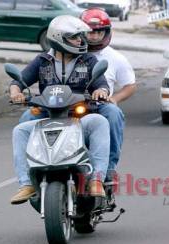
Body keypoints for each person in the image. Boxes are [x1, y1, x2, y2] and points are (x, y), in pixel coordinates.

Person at [10, 15, 110, 204]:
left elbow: (101, 84)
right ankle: (27, 183)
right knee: (20, 130)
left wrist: (100, 91)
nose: (80, 40)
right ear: (58, 38)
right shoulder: (42, 60)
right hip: (48, 115)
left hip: (80, 117)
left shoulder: (87, 60)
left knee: (101, 121)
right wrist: (16, 92)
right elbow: (18, 81)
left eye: (80, 36)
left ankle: (97, 178)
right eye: (74, 37)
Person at [81, 8, 137, 182]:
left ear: (106, 32)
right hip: (66, 104)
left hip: (99, 105)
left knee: (113, 113)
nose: (94, 36)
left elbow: (130, 85)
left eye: (99, 32)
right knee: (32, 116)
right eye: (90, 32)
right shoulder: (69, 52)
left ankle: (109, 168)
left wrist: (114, 98)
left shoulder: (116, 58)